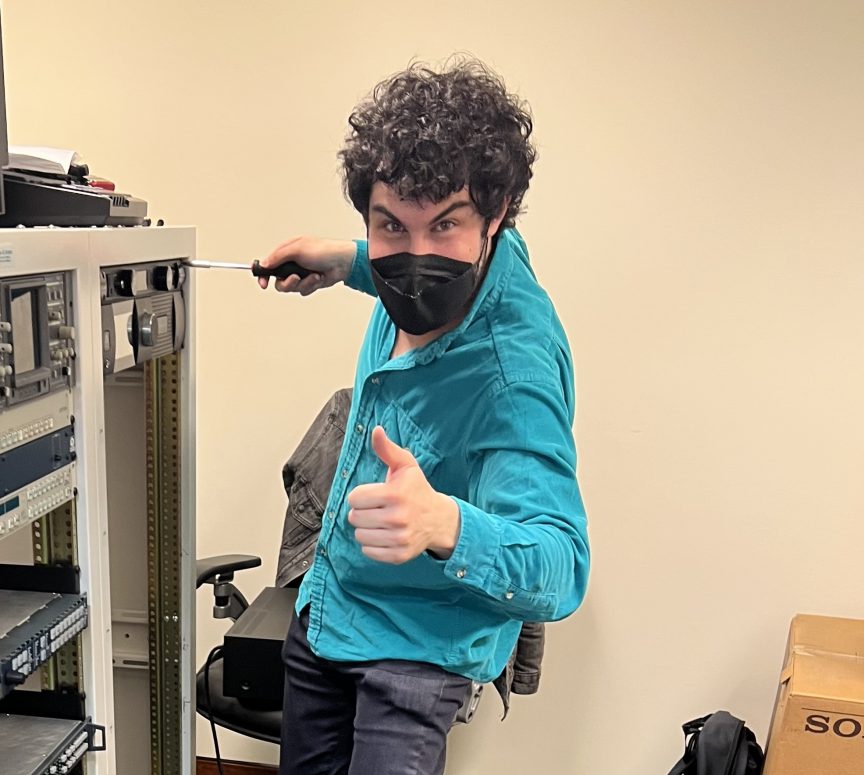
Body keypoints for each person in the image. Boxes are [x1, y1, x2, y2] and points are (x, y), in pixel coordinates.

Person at [257, 57, 591, 775]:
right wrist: (346, 261)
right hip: (332, 606)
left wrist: (445, 525)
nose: (414, 258)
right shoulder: (406, 264)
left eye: (446, 225)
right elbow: (405, 262)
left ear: (495, 216)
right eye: (389, 226)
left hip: (417, 647)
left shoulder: (514, 370)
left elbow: (563, 565)